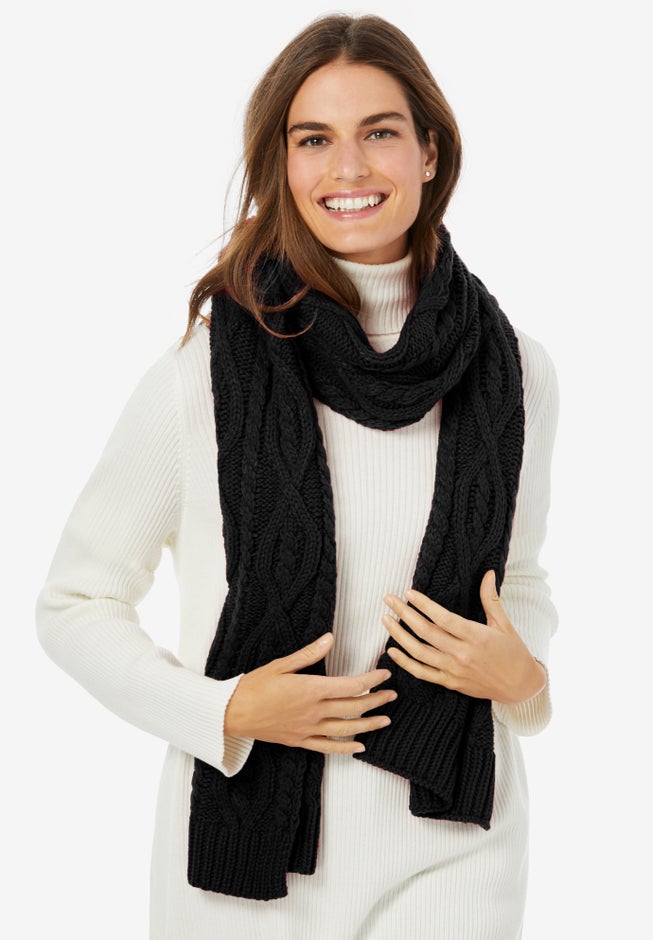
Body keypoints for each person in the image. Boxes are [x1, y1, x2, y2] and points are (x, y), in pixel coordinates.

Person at [36, 13, 558, 939]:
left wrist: (524, 677)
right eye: (313, 139)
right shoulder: (205, 373)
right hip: (244, 870)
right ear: (281, 165)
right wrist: (223, 709)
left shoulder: (514, 368)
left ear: (429, 152)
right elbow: (75, 602)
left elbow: (514, 581)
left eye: (379, 133)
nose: (347, 168)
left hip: (454, 848)